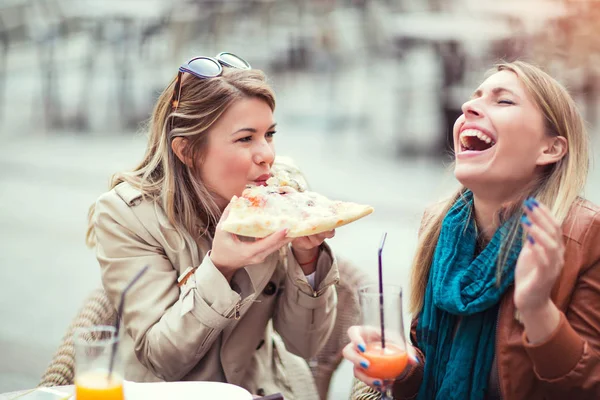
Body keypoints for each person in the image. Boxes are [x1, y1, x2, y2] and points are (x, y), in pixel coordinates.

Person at [85, 53, 339, 399]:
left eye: (270, 134)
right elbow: (163, 360)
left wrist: (307, 260)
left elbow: (305, 344)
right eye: (245, 138)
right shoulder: (125, 216)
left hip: (260, 389)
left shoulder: (283, 191)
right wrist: (220, 267)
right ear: (187, 150)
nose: (267, 154)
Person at [344, 60, 600, 400]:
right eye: (474, 97)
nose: (468, 106)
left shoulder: (586, 235)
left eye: (503, 100)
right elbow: (430, 372)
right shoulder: (440, 225)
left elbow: (588, 387)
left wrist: (538, 309)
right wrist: (403, 367)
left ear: (549, 149)